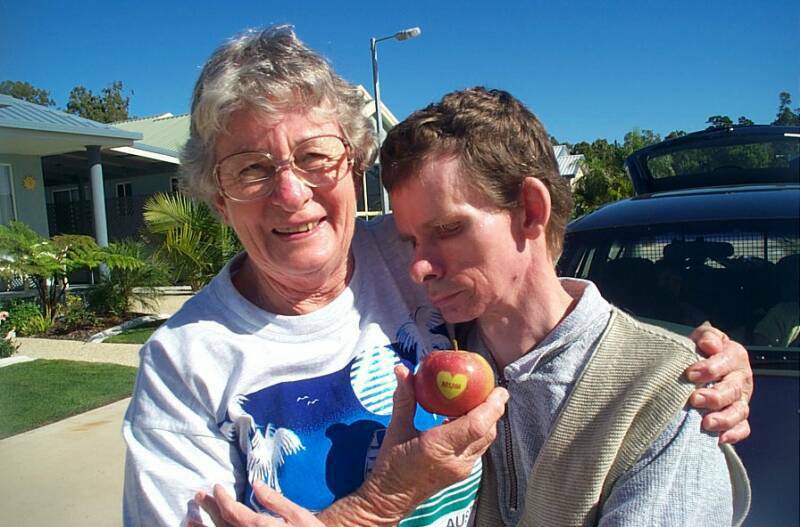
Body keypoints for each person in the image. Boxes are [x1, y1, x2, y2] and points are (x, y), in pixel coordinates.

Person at [123, 27, 753, 527]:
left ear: (353, 166)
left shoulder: (403, 256)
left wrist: (679, 367)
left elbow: (545, 303)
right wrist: (375, 506)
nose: (291, 194)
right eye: (251, 169)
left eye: (315, 156)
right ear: (218, 198)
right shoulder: (184, 363)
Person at [379, 87, 750, 525]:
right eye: (411, 241)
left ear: (530, 211)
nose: (418, 267)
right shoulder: (430, 351)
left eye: (447, 229)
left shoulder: (664, 390)